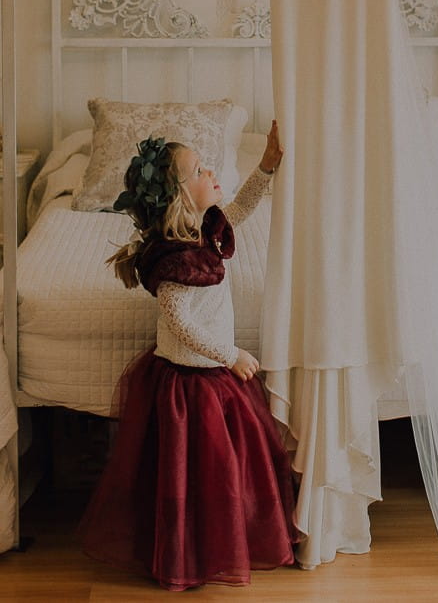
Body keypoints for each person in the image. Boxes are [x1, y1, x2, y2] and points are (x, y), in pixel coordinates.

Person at [79, 121, 298, 592]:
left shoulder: (205, 230)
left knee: (219, 474)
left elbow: (240, 208)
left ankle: (218, 541)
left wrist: (266, 165)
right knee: (184, 477)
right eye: (200, 169)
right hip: (188, 381)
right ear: (179, 195)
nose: (212, 170)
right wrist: (232, 353)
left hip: (212, 375)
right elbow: (181, 323)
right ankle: (182, 555)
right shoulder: (177, 260)